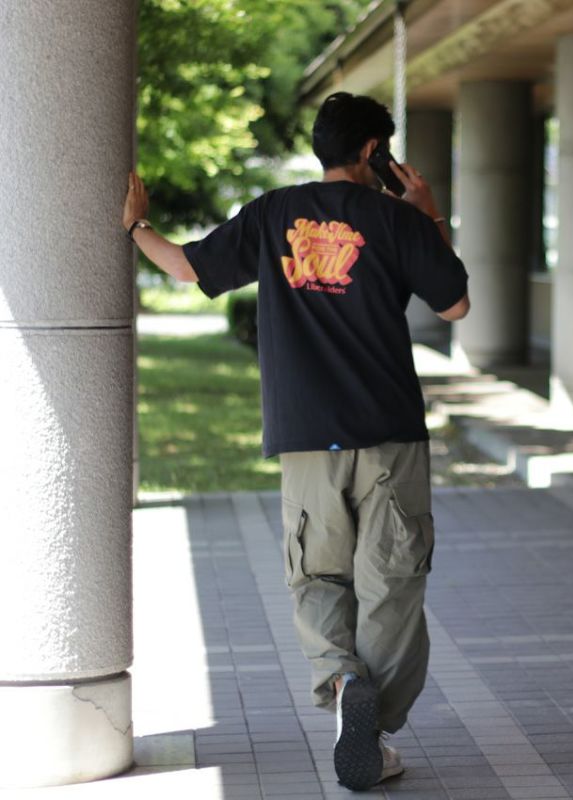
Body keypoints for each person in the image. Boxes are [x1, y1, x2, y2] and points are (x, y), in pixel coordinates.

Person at [123, 91, 469, 791]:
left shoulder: (274, 212)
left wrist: (136, 225)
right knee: (391, 583)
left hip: (307, 435)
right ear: (373, 151)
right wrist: (428, 212)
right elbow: (455, 303)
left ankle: (343, 684)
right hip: (389, 433)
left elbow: (187, 268)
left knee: (317, 576)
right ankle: (372, 732)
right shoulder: (398, 219)